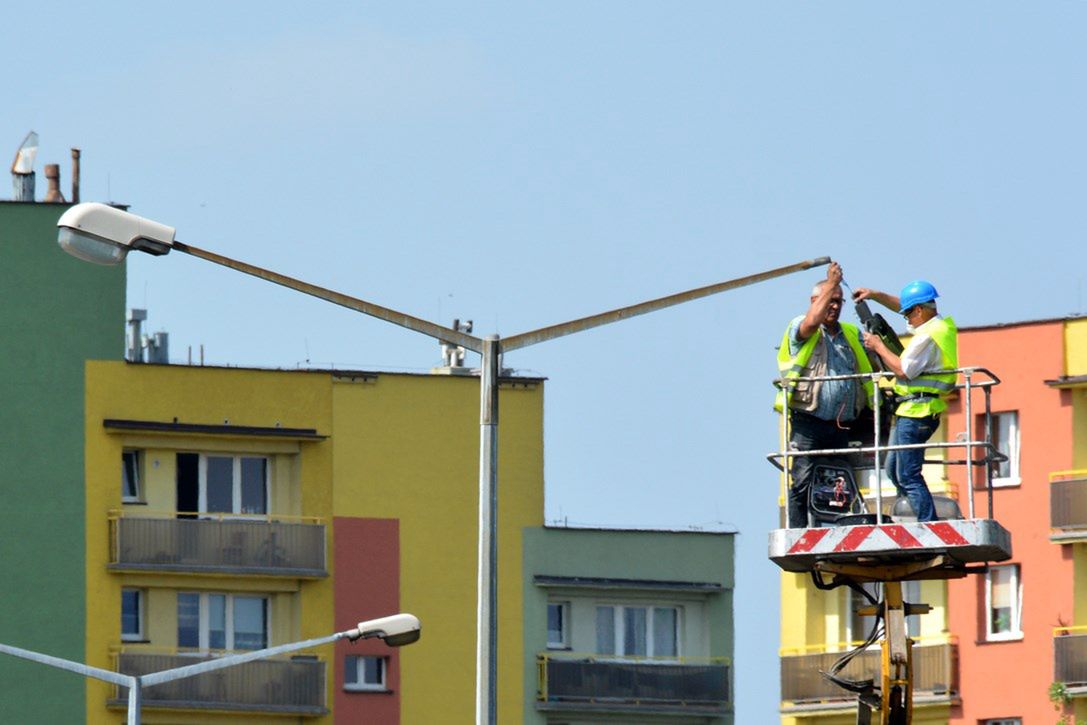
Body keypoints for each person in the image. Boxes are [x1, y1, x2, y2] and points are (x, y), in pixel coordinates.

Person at [776, 261, 874, 528]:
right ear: (814, 301)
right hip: (809, 422)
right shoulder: (801, 328)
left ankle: (841, 528)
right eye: (829, 300)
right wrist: (832, 283)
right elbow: (811, 321)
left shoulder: (850, 334)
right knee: (803, 480)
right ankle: (798, 532)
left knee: (840, 483)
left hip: (841, 425)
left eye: (839, 301)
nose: (834, 305)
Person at [852, 280, 958, 523]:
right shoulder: (937, 325)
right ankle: (910, 514)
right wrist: (875, 294)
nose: (906, 318)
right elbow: (906, 306)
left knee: (908, 474)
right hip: (912, 411)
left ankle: (927, 523)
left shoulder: (926, 338)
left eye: (909, 313)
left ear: (920, 310)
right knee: (893, 470)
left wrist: (878, 346)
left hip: (918, 412)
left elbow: (902, 369)